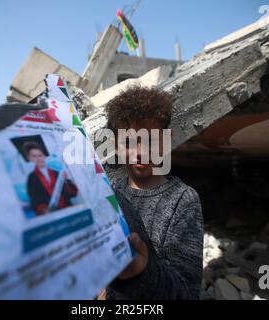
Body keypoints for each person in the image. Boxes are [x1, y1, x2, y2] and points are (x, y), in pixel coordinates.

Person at [103, 86, 204, 300]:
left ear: (166, 140)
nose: (140, 152)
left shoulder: (183, 201)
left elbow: (187, 294)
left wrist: (142, 271)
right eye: (128, 142)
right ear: (115, 145)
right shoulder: (110, 196)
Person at [23, 142, 78, 215]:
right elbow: (34, 199)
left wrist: (66, 181)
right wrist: (43, 209)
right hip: (51, 215)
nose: (38, 158)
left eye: (40, 155)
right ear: (29, 158)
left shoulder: (57, 171)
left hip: (68, 210)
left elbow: (73, 193)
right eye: (34, 156)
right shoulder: (31, 178)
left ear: (45, 156)